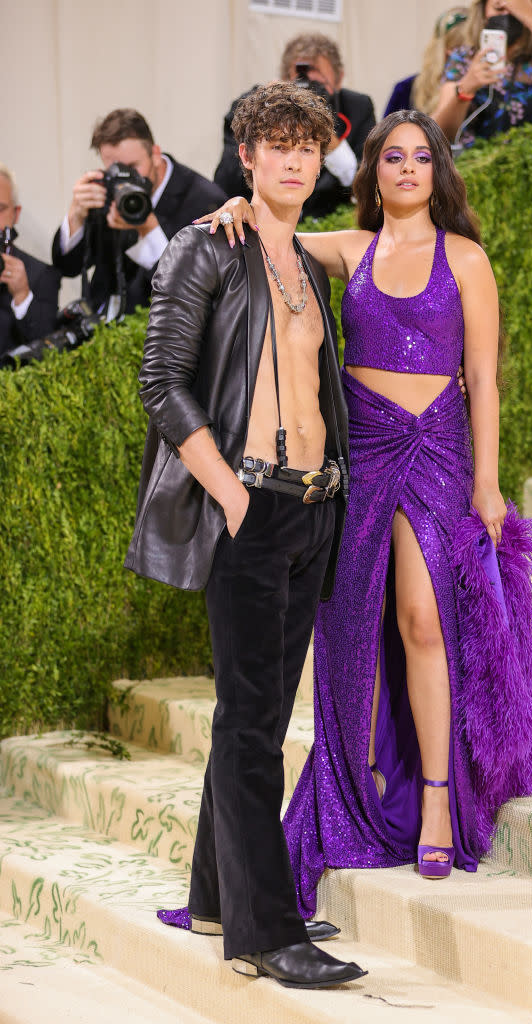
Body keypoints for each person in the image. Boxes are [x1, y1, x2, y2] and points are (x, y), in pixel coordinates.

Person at [208, 109, 532, 918]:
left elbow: (484, 379)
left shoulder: (464, 258)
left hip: (437, 453)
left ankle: (436, 798)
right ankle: (358, 798)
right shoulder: (350, 249)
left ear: (438, 171)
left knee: (423, 620)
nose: (405, 169)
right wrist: (237, 207)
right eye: (391, 157)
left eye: (419, 157)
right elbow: (276, 236)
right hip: (360, 456)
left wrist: (489, 483)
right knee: (353, 629)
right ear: (371, 171)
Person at [124, 82, 365, 989]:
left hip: (311, 507)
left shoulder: (303, 256)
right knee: (253, 722)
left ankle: (219, 894)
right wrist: (227, 494)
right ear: (247, 157)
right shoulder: (207, 246)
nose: (295, 158)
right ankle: (268, 930)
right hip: (252, 506)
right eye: (276, 144)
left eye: (308, 144)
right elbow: (162, 381)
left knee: (254, 715)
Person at [52, 109, 226, 320]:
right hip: (100, 329)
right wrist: (75, 217)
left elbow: (196, 292)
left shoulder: (205, 201)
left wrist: (149, 231)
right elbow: (68, 267)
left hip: (161, 332)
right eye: (116, 168)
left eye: (134, 167)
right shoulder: (108, 189)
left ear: (155, 153)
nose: (127, 178)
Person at [213, 33, 375, 219]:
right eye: (301, 85)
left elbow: (366, 183)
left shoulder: (357, 107)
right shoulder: (250, 106)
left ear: (339, 80)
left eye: (319, 85)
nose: (310, 94)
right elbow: (226, 183)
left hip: (328, 222)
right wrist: (269, 112)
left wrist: (321, 131)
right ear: (284, 79)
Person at [433, 0, 532, 147]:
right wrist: (466, 88)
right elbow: (439, 132)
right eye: (499, 7)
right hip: (477, 166)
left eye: (515, 7)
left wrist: (531, 17)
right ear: (483, 12)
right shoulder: (464, 58)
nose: (508, 14)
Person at [0, 164, 60, 359]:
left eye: (0, 209)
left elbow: (49, 353)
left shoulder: (41, 274)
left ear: (15, 214)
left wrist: (22, 296)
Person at [384, 7, 469, 116]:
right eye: (465, 48)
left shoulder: (488, 91)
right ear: (449, 49)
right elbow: (388, 131)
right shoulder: (406, 89)